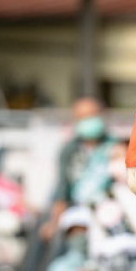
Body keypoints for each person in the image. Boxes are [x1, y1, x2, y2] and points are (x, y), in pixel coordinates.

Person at [41, 97, 114, 240]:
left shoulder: (116, 147)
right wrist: (53, 223)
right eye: (82, 117)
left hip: (112, 217)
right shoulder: (69, 150)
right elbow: (62, 188)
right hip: (79, 218)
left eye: (92, 115)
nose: (88, 121)